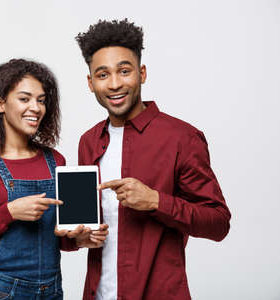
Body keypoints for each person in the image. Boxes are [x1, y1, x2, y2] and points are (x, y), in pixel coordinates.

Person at [74, 19, 232, 300]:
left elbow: (218, 223)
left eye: (124, 71)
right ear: (90, 83)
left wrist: (156, 201)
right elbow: (83, 225)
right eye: (102, 75)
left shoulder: (182, 138)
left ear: (142, 73)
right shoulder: (88, 142)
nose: (114, 84)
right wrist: (76, 237)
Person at [0, 59, 87, 299]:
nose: (36, 107)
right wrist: (9, 212)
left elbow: (60, 239)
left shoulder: (56, 160)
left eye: (41, 100)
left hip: (51, 289)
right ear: (0, 104)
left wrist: (80, 238)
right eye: (24, 99)